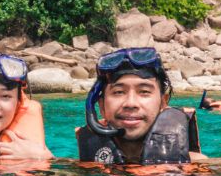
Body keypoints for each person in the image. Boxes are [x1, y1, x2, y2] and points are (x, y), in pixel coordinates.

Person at [77, 47, 206, 166]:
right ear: (101, 106)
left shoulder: (198, 168)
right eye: (118, 92)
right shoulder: (79, 169)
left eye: (144, 92)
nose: (130, 103)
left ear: (163, 103)